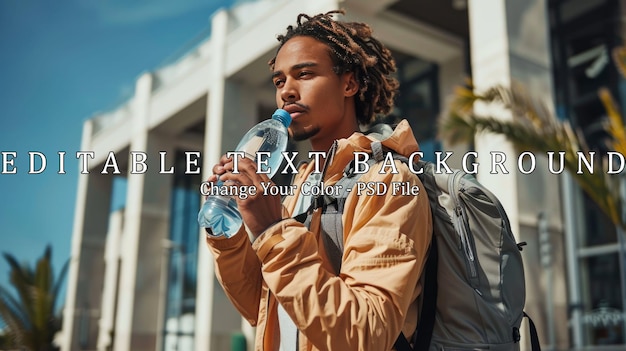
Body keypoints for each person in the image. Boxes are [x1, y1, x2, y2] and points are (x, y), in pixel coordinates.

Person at [205, 10, 432, 351]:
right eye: (279, 81)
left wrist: (272, 231)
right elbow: (266, 308)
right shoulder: (301, 186)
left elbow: (367, 333)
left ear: (349, 83)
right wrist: (229, 230)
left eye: (305, 74)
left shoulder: (388, 181)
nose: (288, 92)